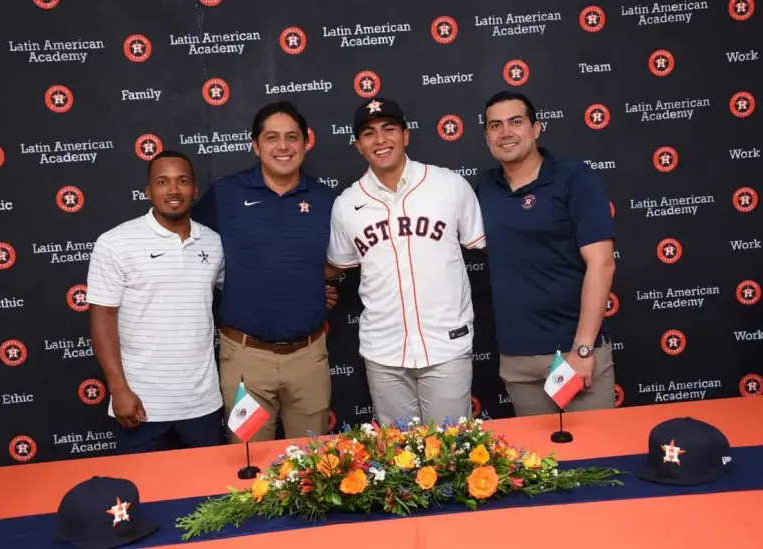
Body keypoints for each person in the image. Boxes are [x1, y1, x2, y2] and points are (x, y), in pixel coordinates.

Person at [325, 97, 486, 427]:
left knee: (454, 454)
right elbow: (336, 264)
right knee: (397, 459)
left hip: (446, 347)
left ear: (406, 135)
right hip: (383, 352)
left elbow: (482, 245)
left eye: (389, 129)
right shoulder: (347, 203)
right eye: (369, 133)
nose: (380, 140)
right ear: (358, 145)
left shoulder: (449, 185)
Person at [190, 101, 336, 443]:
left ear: (306, 142)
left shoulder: (327, 199)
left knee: (314, 466)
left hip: (308, 358)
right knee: (248, 460)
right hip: (245, 359)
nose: (282, 146)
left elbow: (338, 259)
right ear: (256, 145)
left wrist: (315, 286)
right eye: (272, 137)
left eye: (292, 137)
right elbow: (191, 249)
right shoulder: (225, 195)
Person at [477, 90, 617, 417]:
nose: (506, 132)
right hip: (518, 361)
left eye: (516, 122)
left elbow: (602, 263)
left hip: (574, 354)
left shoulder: (574, 178)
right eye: (495, 126)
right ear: (487, 138)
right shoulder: (485, 188)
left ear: (536, 128)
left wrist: (582, 348)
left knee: (597, 458)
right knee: (537, 465)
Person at [86, 150, 226, 454]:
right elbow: (103, 319)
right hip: (141, 404)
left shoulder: (213, 243)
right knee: (142, 497)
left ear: (195, 190)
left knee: (208, 496)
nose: (173, 190)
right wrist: (118, 388)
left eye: (182, 181)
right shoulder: (114, 243)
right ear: (149, 191)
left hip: (201, 403)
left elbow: (246, 292)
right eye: (163, 182)